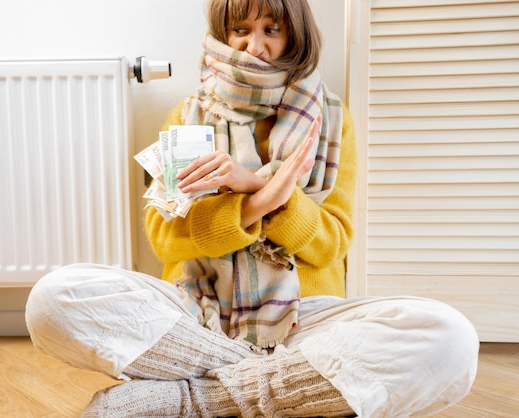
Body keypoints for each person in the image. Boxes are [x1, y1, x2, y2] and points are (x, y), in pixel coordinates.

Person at [25, 0, 479, 416]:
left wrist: (278, 201)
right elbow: (165, 239)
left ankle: (198, 399)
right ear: (223, 33)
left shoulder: (333, 118)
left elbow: (332, 242)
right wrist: (257, 201)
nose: (253, 45)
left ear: (294, 36)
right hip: (194, 316)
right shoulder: (187, 119)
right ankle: (277, 385)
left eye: (271, 29)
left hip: (305, 315)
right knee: (53, 299)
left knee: (449, 337)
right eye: (240, 29)